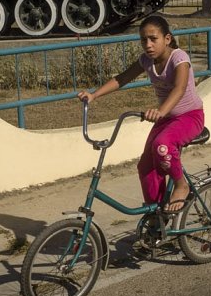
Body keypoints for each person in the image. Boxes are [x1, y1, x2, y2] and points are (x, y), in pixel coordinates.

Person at [77, 16, 204, 213]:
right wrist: (94, 95)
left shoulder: (179, 58)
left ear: (167, 39)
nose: (148, 44)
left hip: (190, 116)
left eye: (153, 39)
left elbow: (179, 89)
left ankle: (181, 185)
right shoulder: (146, 60)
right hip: (167, 119)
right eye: (144, 40)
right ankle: (156, 211)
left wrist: (160, 111)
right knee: (146, 166)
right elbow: (122, 78)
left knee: (162, 146)